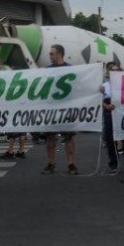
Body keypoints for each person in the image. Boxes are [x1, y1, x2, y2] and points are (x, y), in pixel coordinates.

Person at [41, 44, 78, 175]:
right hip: (51, 109)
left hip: (67, 109)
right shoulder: (47, 70)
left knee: (68, 138)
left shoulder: (70, 69)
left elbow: (80, 87)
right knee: (50, 138)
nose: (50, 56)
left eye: (52, 54)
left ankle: (71, 164)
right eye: (50, 54)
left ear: (60, 54)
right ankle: (51, 163)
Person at [102, 62, 124, 174]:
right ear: (108, 72)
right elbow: (98, 99)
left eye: (117, 70)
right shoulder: (104, 85)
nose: (114, 72)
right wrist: (106, 106)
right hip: (109, 113)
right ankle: (114, 164)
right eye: (112, 70)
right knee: (110, 139)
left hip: (122, 112)